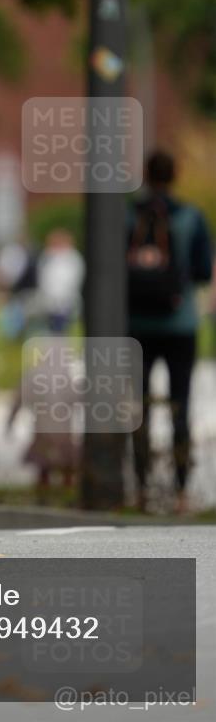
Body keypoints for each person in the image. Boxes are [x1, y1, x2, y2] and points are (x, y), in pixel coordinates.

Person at [127, 150, 212, 513]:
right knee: (181, 404)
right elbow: (203, 272)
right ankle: (179, 492)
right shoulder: (191, 217)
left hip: (136, 325)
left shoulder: (128, 216)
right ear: (175, 175)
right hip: (181, 325)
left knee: (138, 408)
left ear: (145, 175)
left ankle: (144, 490)